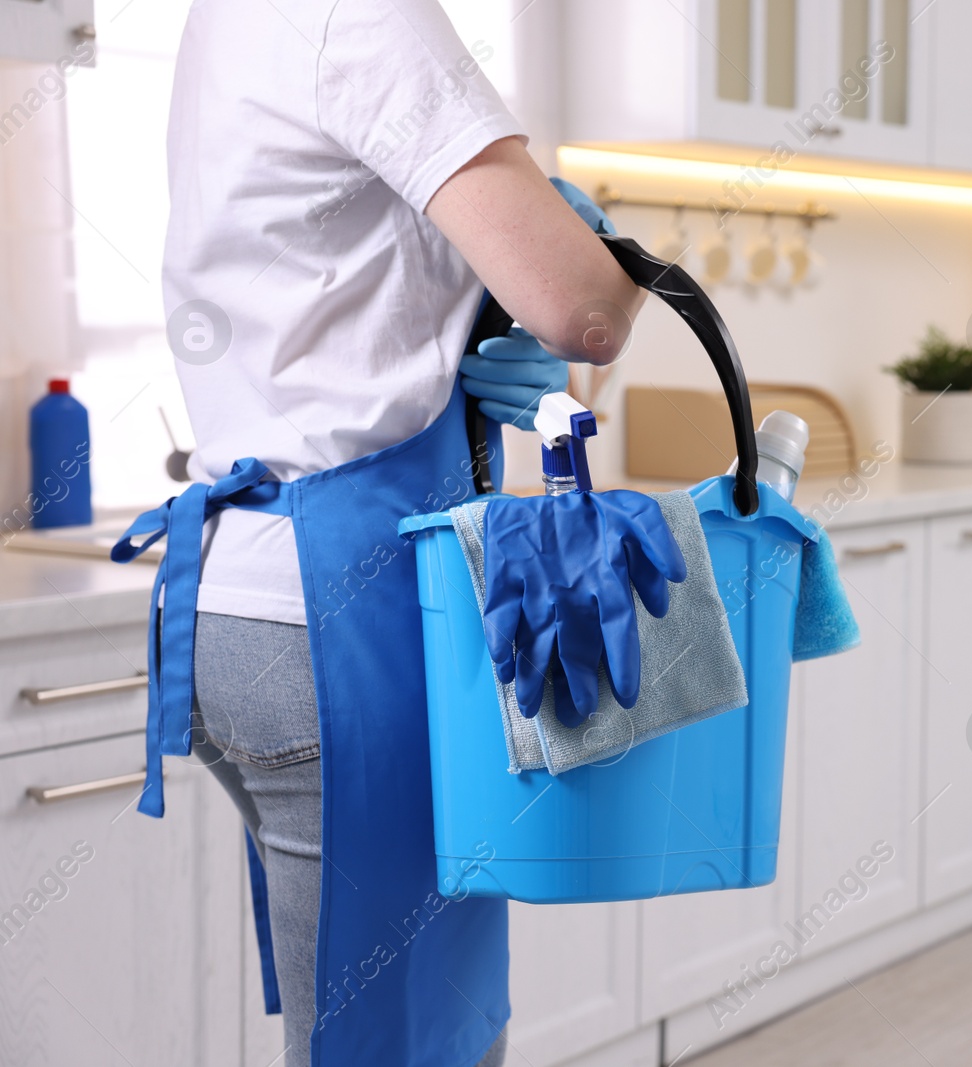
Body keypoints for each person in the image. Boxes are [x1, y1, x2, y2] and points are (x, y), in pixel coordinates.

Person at [112, 1, 644, 1064]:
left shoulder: (226, 22)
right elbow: (584, 310)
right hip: (353, 610)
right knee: (409, 1041)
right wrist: (592, 258)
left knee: (362, 1026)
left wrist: (476, 317)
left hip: (235, 598)